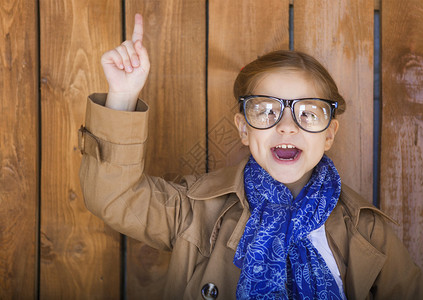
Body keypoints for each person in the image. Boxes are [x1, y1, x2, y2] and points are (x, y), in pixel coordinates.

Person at [79, 13, 423, 299]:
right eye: (266, 110)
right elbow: (114, 196)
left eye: (308, 113)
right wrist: (122, 96)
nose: (287, 126)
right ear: (244, 130)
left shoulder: (368, 232)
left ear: (329, 134)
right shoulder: (196, 209)